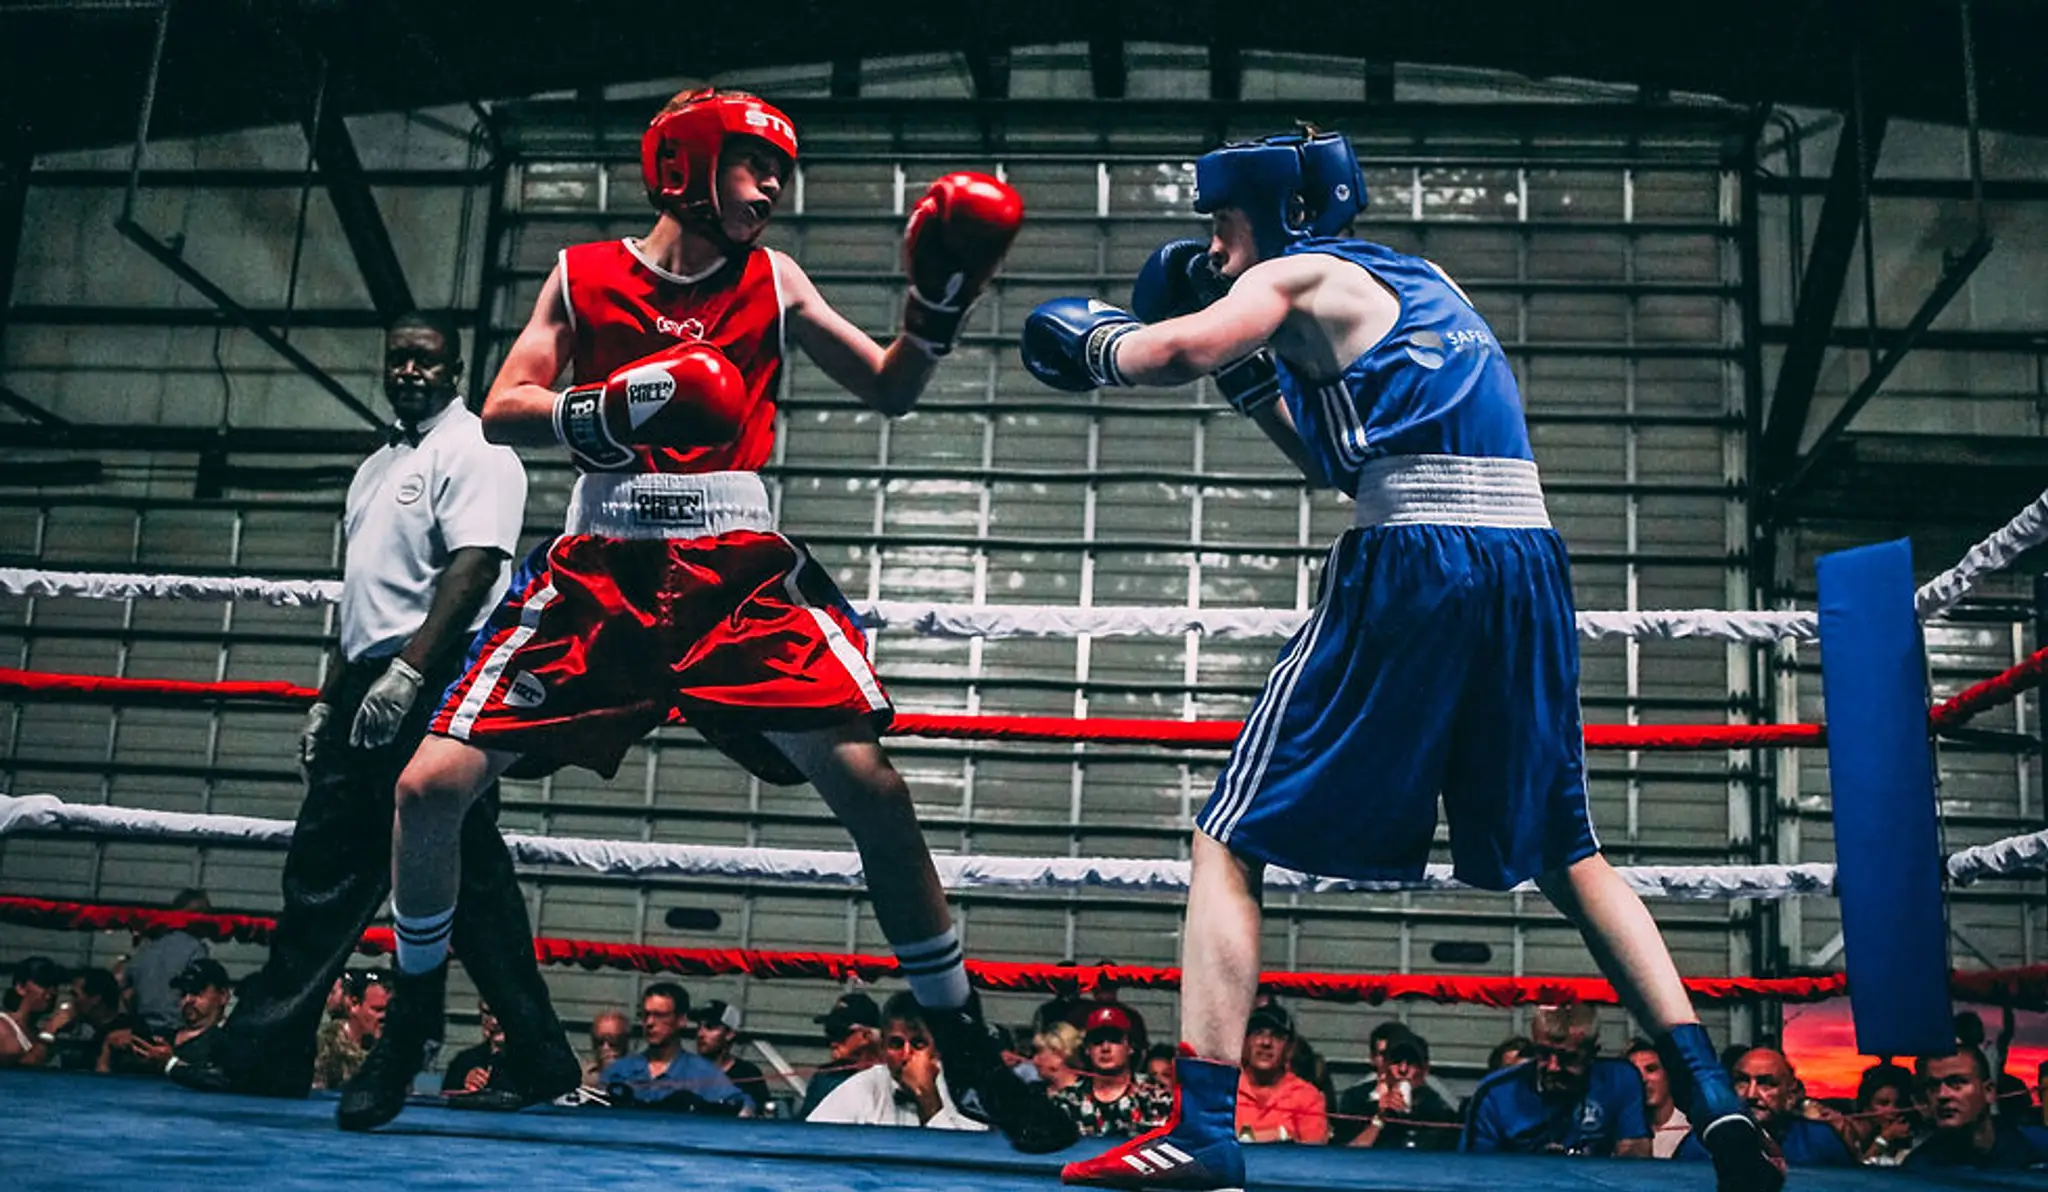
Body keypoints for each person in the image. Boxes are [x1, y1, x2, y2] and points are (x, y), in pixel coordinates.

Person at [1025, 127, 1777, 1192]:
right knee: (1569, 850)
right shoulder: (1421, 283)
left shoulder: (1291, 273)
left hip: (1418, 558)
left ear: (1279, 214)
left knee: (1227, 836)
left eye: (1221, 221)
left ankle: (1201, 1131)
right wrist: (1252, 383)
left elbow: (1168, 353)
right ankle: (1714, 1104)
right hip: (1525, 564)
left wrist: (1099, 340)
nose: (1212, 246)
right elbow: (1342, 461)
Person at [339, 86, 1068, 1152]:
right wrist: (610, 408)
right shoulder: (582, 273)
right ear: (685, 161)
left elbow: (889, 387)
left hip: (732, 565)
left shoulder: (774, 278)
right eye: (752, 164)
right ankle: (410, 1017)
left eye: (779, 171)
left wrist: (937, 308)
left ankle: (968, 1049)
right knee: (427, 786)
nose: (771, 188)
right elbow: (501, 407)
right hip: (603, 563)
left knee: (874, 789)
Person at [171, 313, 579, 1109]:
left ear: (454, 369)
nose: (410, 371)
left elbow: (474, 569)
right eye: (399, 359)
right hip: (375, 675)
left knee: (338, 865)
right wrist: (332, 697)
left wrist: (407, 672)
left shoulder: (477, 447)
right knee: (461, 879)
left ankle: (266, 1046)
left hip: (434, 675)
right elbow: (365, 601)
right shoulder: (376, 467)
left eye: (426, 360)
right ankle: (537, 1052)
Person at [1461, 1003, 1651, 1158]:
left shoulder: (1619, 1080)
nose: (1553, 1067)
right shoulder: (1496, 1093)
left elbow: (1636, 1155)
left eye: (1567, 1058)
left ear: (1592, 1053)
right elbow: (1475, 1171)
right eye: (1543, 1054)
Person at [807, 992, 987, 1130]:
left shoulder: (962, 1093)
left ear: (937, 1050)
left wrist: (929, 1102)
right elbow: (813, 1142)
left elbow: (964, 1161)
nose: (906, 1054)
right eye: (896, 1044)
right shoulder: (863, 1087)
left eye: (918, 1043)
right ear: (883, 1047)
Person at [1673, 1047, 1854, 1166]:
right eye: (1742, 1081)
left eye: (1766, 1083)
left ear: (1790, 1095)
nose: (1751, 1094)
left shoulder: (1819, 1141)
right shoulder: (1704, 1142)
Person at [600, 983, 747, 1113]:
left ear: (681, 1020)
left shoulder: (703, 1073)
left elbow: (743, 1107)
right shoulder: (619, 1071)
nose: (650, 1023)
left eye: (660, 1015)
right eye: (645, 1015)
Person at [1902, 1047, 2048, 1171]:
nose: (1942, 1095)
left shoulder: (2036, 1149)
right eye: (1933, 1086)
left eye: (1957, 1082)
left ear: (1989, 1091)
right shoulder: (1918, 1170)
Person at [1051, 1005, 1171, 1138]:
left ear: (1130, 1046)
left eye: (1114, 1039)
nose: (1105, 1048)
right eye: (1097, 1040)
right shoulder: (1067, 1101)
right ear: (1087, 1049)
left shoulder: (1155, 1096)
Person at [1342, 1032, 1459, 1151]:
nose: (1403, 1069)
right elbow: (1346, 1154)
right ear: (1384, 1065)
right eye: (1396, 1061)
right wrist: (1380, 1118)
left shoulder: (1439, 1111)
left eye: (1411, 1063)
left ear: (1424, 1069)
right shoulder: (1356, 1100)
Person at [1233, 1003, 1328, 1145]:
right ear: (1244, 1042)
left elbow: (1314, 1154)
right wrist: (1280, 1135)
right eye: (1258, 1033)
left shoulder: (1307, 1096)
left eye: (1277, 1036)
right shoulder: (1223, 1088)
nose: (1266, 1042)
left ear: (1290, 1048)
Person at [123, 889, 211, 1035]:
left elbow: (127, 993)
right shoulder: (195, 949)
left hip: (141, 1029)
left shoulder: (147, 947)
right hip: (176, 1030)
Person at [798, 991, 885, 1118]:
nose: (833, 1042)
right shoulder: (825, 1079)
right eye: (829, 1032)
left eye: (839, 1032)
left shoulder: (891, 1077)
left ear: (866, 1035)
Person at [696, 998, 771, 1112]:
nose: (700, 1034)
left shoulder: (748, 1075)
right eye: (698, 1026)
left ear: (729, 1034)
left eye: (710, 1027)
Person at [1626, 1038, 1692, 1158]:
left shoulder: (1692, 1131)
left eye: (1651, 1069)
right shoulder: (1619, 1135)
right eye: (1634, 1072)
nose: (1643, 1079)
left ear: (1669, 1075)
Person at [0, 956, 66, 1068]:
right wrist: (49, 1032)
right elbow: (19, 1071)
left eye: (55, 985)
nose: (51, 992)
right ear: (21, 988)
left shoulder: (35, 1032)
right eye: (44, 984)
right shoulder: (3, 1028)